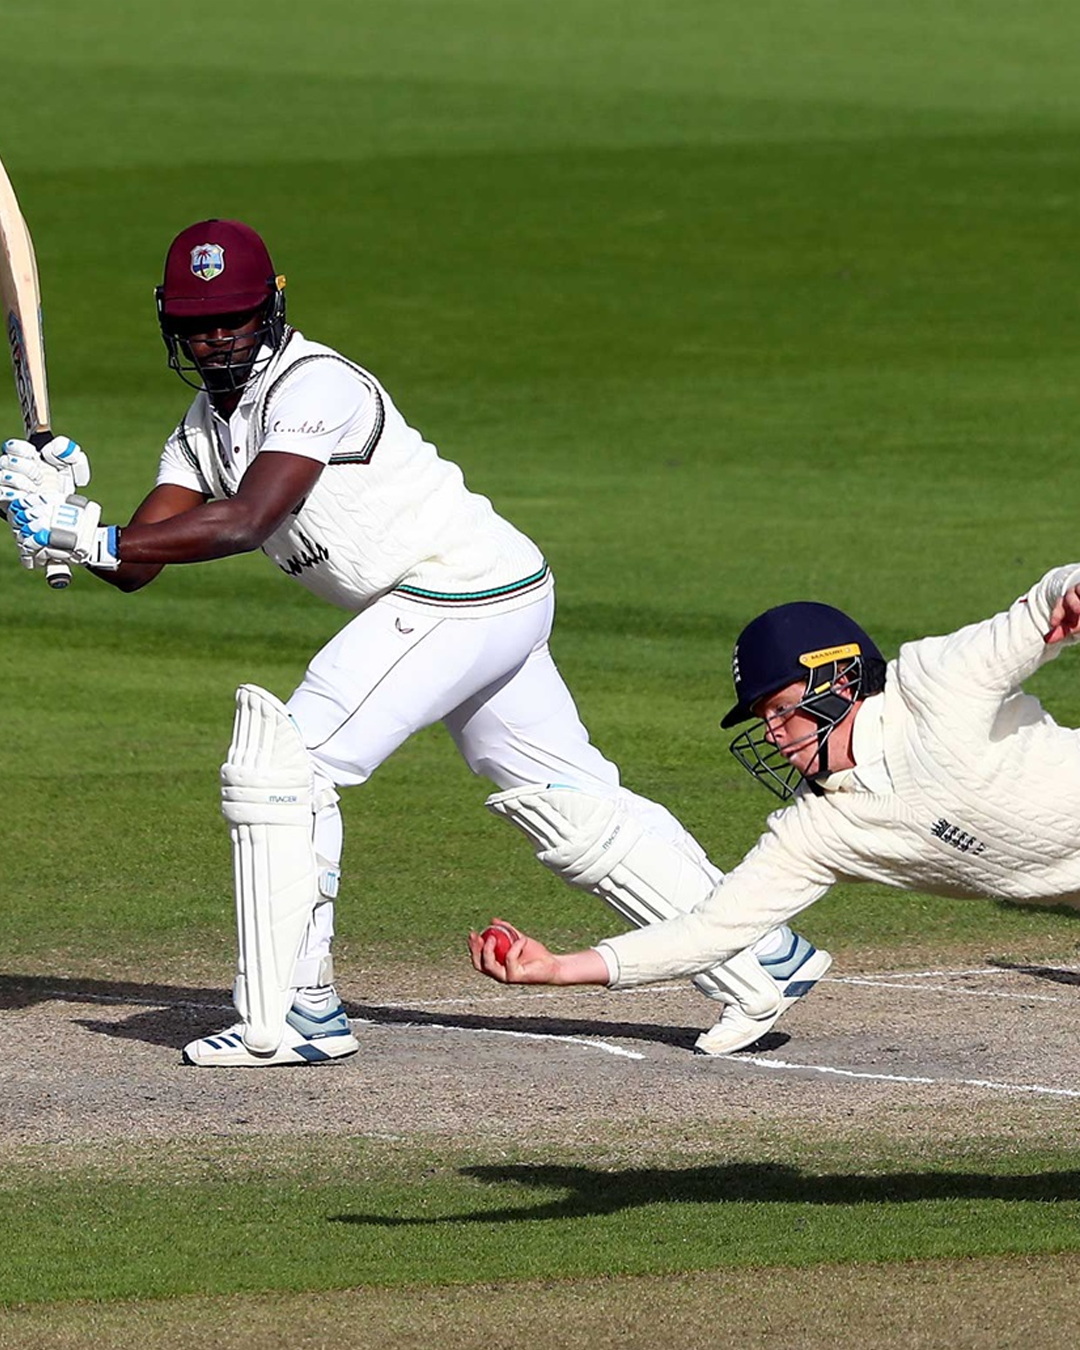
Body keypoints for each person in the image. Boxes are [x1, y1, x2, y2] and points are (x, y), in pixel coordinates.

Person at [1, 217, 830, 1066]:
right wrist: (65, 517)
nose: (214, 340)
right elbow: (140, 560)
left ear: (272, 307)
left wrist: (84, 535)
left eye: (234, 319)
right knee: (563, 797)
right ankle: (760, 956)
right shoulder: (201, 428)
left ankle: (295, 1015)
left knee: (287, 766)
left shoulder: (313, 385)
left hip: (457, 588)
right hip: (480, 594)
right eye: (195, 324)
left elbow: (249, 520)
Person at [469, 571, 1080, 1005]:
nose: (775, 734)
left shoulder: (938, 683)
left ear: (840, 680)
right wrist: (559, 969)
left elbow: (1039, 610)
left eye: (782, 708)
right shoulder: (819, 831)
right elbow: (709, 931)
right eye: (762, 718)